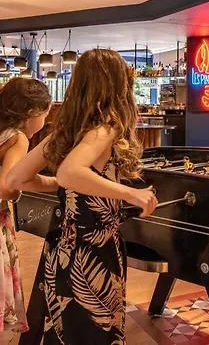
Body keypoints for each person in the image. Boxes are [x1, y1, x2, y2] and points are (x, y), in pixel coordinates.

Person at [7, 49, 158, 345]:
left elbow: (17, 179)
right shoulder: (106, 127)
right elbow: (70, 172)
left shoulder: (66, 132)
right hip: (95, 251)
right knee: (95, 334)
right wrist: (132, 193)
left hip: (64, 250)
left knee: (67, 334)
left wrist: (67, 184)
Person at [0, 77, 55, 340]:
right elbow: (8, 186)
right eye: (45, 114)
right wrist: (54, 183)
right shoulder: (17, 138)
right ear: (32, 113)